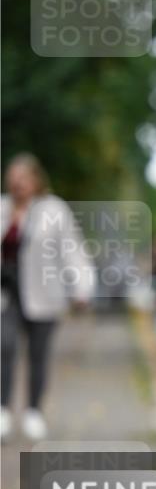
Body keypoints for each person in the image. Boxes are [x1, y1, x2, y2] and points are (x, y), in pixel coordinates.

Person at [1, 153, 94, 441]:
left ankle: (33, 412)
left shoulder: (54, 209)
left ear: (35, 180)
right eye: (13, 179)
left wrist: (81, 287)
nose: (18, 185)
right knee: (5, 347)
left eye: (23, 179)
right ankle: (2, 412)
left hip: (44, 294)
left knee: (38, 355)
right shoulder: (2, 207)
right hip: (7, 295)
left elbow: (72, 250)